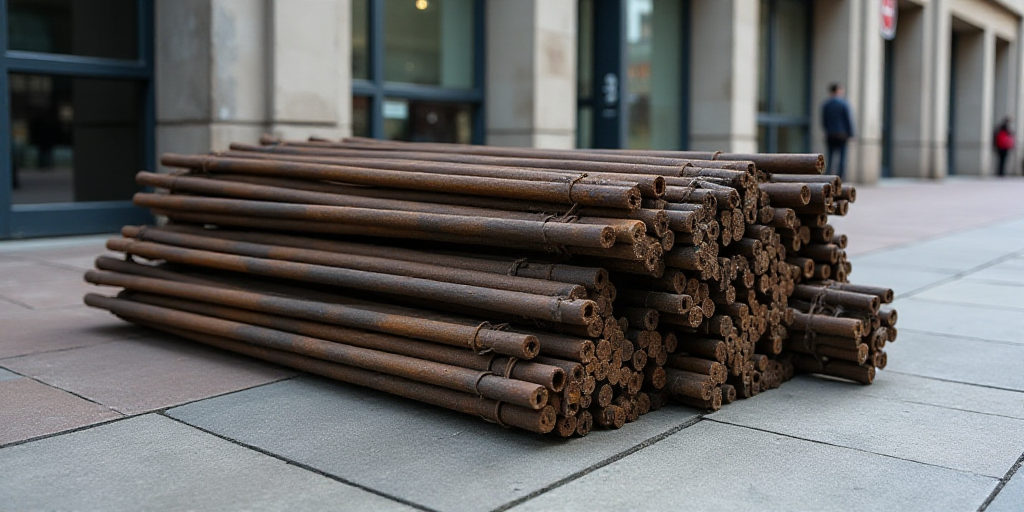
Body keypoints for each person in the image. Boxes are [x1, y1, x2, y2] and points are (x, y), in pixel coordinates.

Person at [821, 83, 856, 179]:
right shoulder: (844, 104)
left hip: (830, 134)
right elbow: (848, 119)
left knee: (830, 155)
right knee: (842, 157)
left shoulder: (826, 104)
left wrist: (825, 131)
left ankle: (828, 175)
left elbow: (824, 120)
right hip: (842, 134)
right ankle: (840, 177)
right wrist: (851, 133)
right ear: (838, 91)